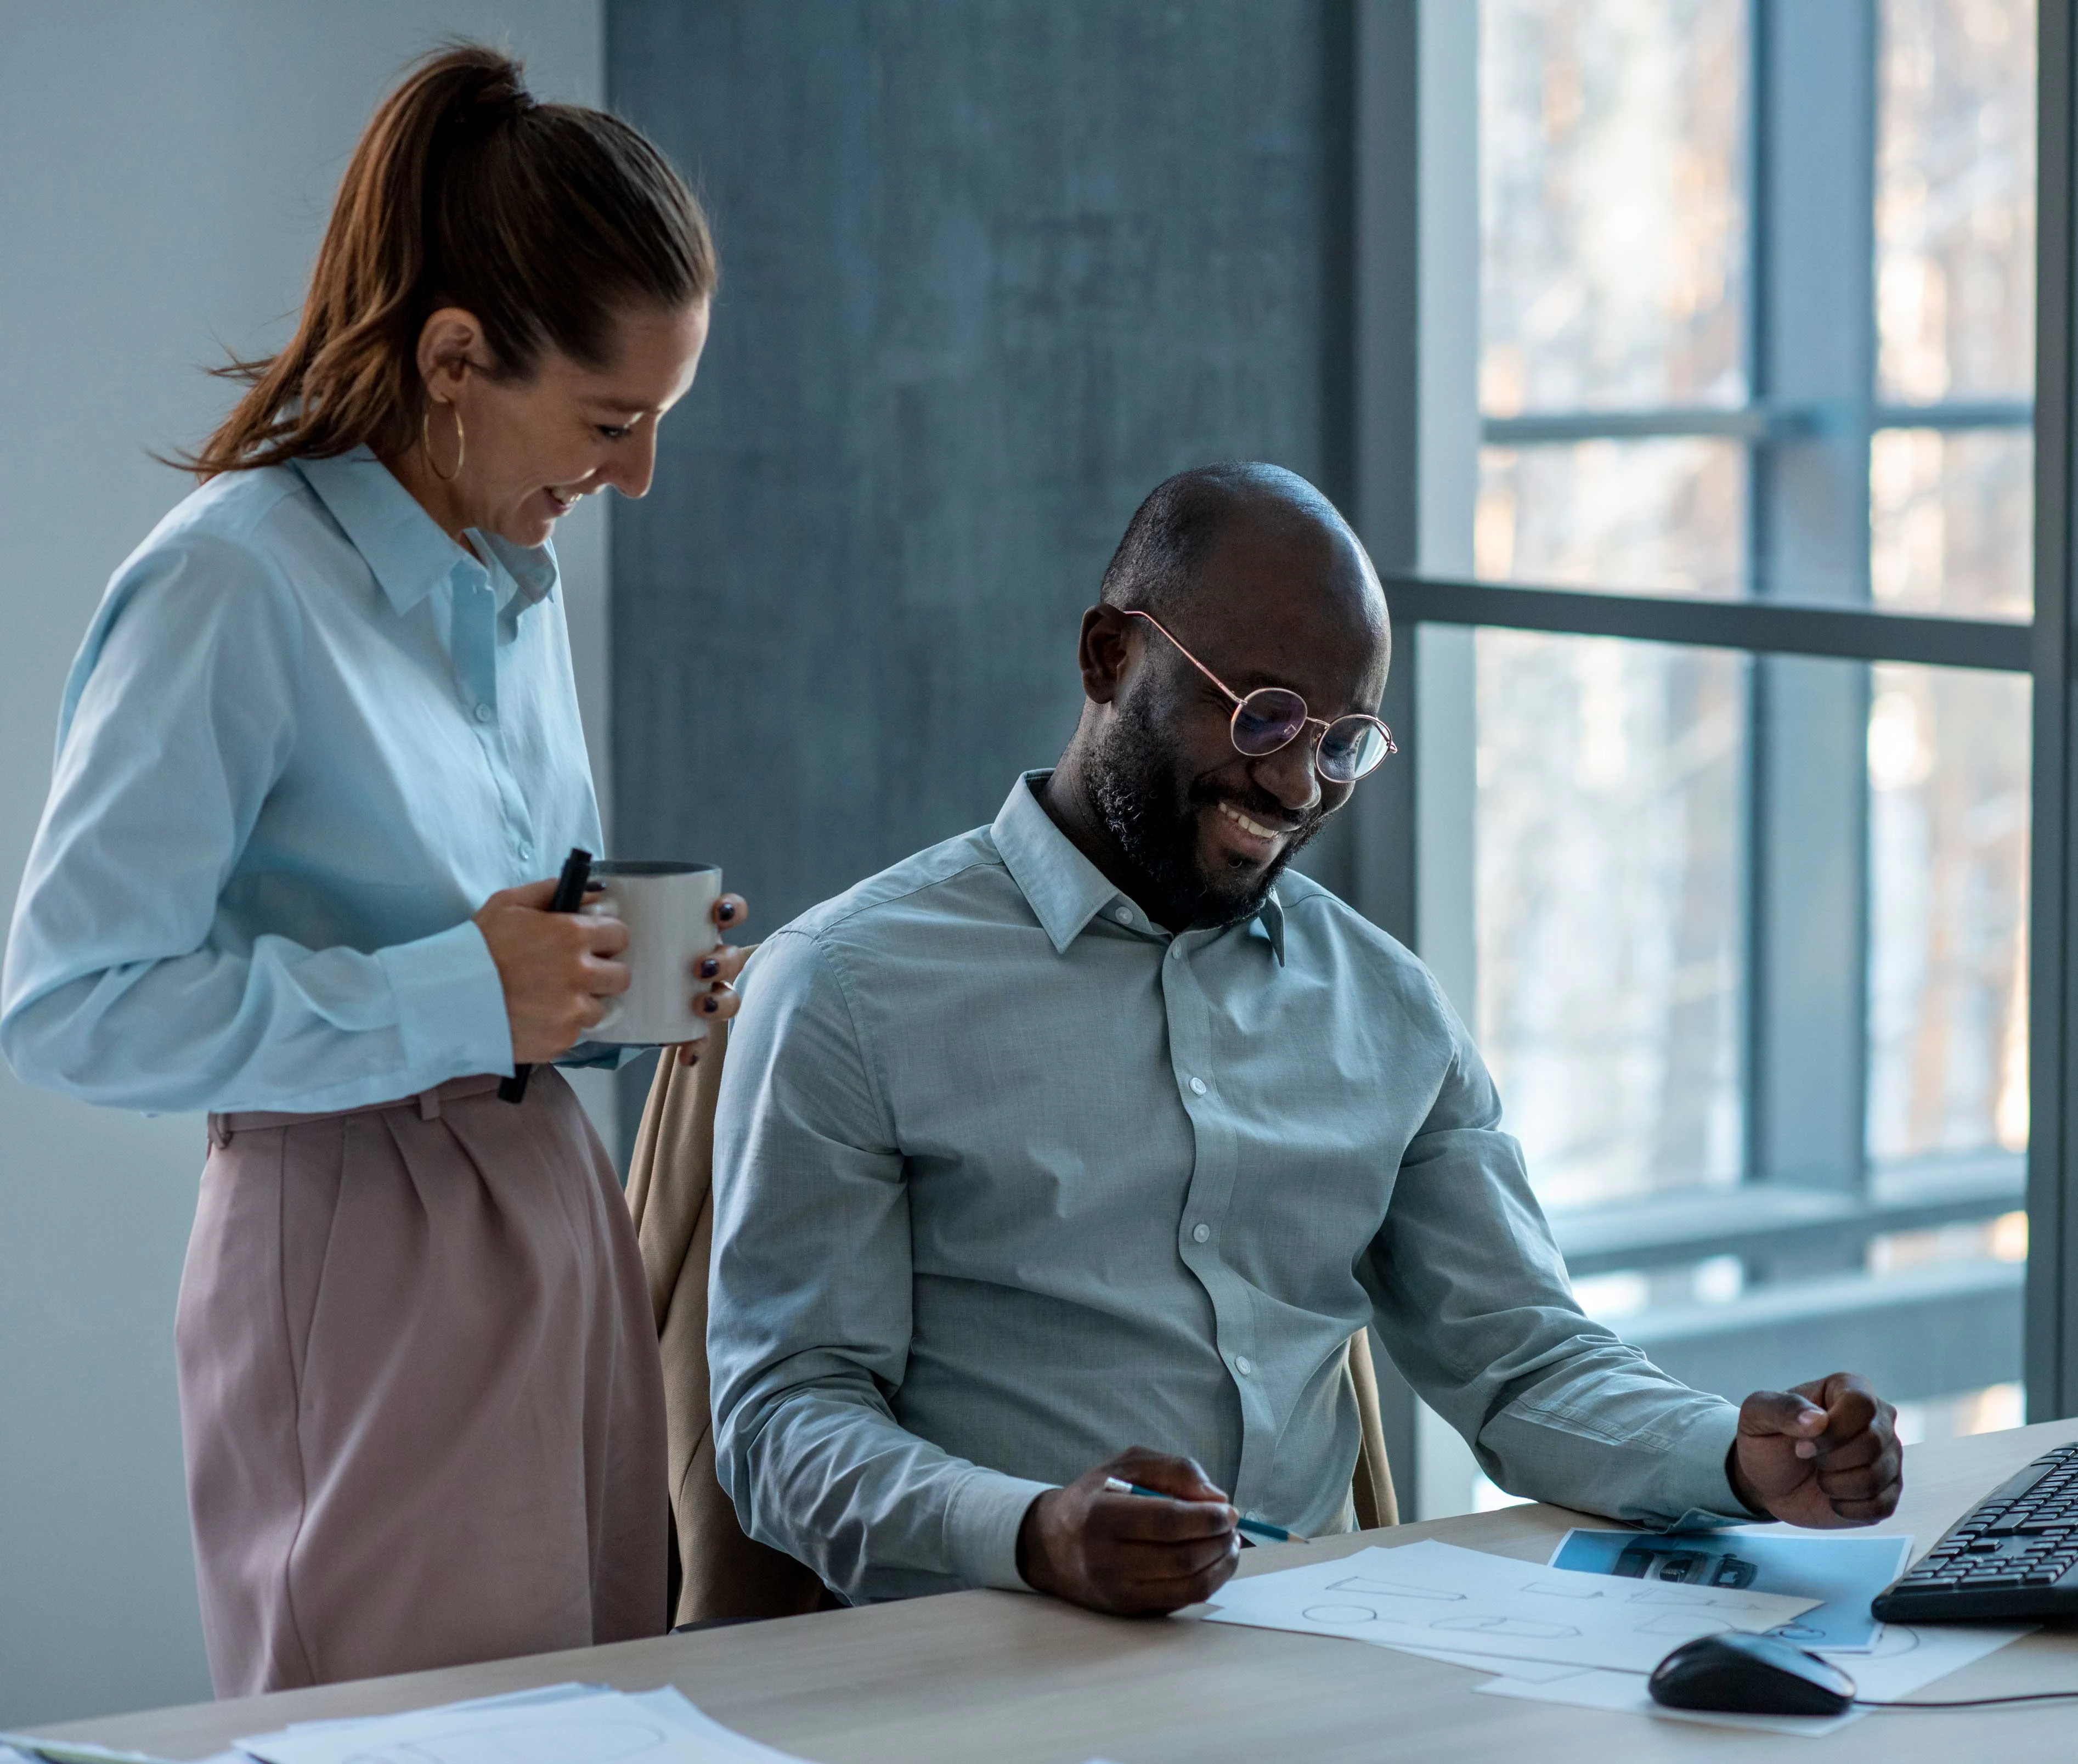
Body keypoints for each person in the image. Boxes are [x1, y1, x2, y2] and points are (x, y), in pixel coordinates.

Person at [705, 462, 1903, 1615]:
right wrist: (1031, 1530)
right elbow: (784, 1418)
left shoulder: (1384, 1005)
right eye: (1261, 712)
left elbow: (1522, 1362)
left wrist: (1740, 1462)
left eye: (1341, 740)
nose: (1296, 783)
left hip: (1319, 1656)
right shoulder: (851, 984)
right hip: (989, 1657)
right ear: (1109, 655)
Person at [0, 48, 749, 1692]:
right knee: (407, 1734)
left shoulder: (509, 569)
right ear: (458, 357)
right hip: (357, 1253)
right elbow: (66, 1005)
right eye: (610, 421)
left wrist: (610, 976)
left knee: (602, 1715)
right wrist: (467, 988)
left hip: (553, 1215)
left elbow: (480, 936)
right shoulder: (230, 584)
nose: (634, 479)